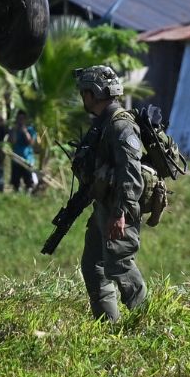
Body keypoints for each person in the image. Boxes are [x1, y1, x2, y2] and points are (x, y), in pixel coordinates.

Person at [72, 64, 148, 319]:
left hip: (119, 209)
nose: (83, 97)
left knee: (120, 265)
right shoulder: (102, 125)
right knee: (93, 266)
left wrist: (120, 213)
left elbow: (131, 173)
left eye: (85, 92)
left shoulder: (120, 126)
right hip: (105, 206)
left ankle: (147, 322)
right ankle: (108, 327)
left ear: (93, 94)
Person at [10, 110, 39, 193]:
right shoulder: (14, 129)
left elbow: (31, 143)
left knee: (29, 181)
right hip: (16, 159)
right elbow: (13, 142)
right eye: (19, 118)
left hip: (27, 159)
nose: (20, 120)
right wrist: (15, 131)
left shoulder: (30, 129)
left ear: (25, 119)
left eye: (22, 118)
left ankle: (28, 196)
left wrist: (25, 131)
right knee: (15, 181)